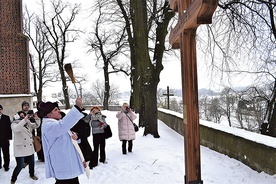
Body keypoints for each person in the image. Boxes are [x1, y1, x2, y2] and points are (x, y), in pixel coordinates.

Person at [37, 98, 86, 184]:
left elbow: (65, 140)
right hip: (63, 166)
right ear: (49, 115)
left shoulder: (56, 123)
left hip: (68, 164)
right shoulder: (48, 125)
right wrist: (77, 107)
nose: (59, 111)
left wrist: (76, 137)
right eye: (56, 110)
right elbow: (63, 126)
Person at [10, 110, 41, 184]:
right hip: (20, 148)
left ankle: (32, 174)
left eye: (24, 115)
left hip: (29, 146)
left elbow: (35, 126)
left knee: (32, 163)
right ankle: (13, 180)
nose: (23, 116)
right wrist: (25, 119)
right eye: (21, 115)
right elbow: (16, 129)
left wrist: (36, 118)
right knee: (20, 165)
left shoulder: (27, 122)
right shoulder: (14, 124)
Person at [0, 105, 12, 171]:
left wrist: (9, 137)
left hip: (5, 138)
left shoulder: (6, 117)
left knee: (6, 153)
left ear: (2, 110)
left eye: (0, 109)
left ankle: (6, 165)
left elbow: (9, 128)